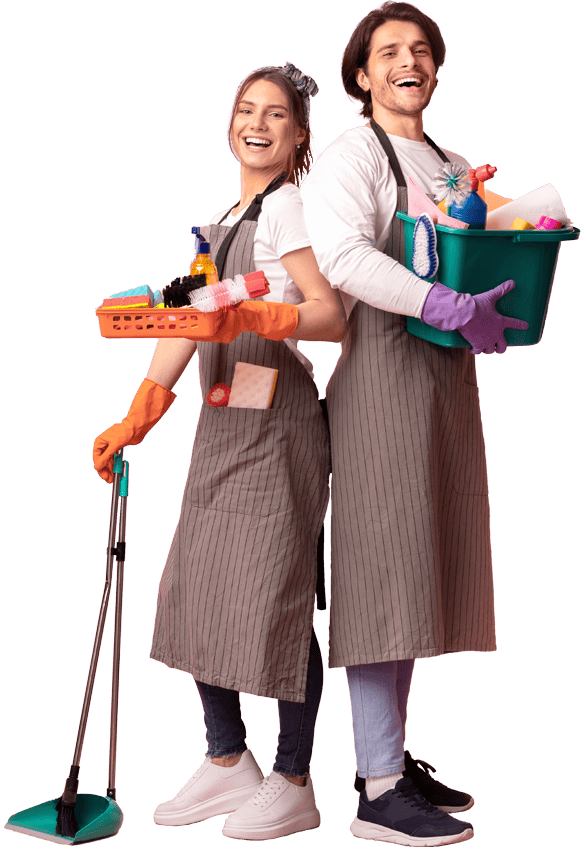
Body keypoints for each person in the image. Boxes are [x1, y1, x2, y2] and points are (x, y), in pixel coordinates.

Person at [93, 61, 346, 842]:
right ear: (229, 124)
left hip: (278, 428)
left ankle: (293, 781)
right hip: (223, 423)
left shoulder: (291, 206)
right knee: (197, 587)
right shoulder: (220, 219)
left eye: (277, 114)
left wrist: (259, 318)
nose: (258, 123)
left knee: (275, 598)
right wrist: (138, 413)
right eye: (247, 109)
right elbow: (186, 322)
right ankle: (226, 758)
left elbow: (329, 313)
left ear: (300, 136)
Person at [301, 2, 528, 846]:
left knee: (420, 572)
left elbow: (476, 254)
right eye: (390, 50)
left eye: (422, 49)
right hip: (381, 381)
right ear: (361, 76)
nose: (410, 61)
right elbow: (343, 257)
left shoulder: (453, 162)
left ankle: (389, 760)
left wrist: (494, 294)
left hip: (446, 382)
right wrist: (440, 302)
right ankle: (377, 792)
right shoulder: (355, 156)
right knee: (380, 578)